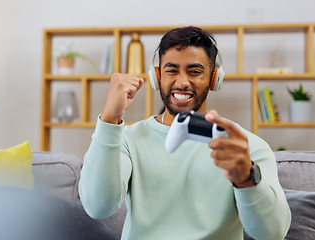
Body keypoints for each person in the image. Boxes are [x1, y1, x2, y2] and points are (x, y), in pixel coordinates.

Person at [78, 26, 291, 240]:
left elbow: (272, 234)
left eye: (195, 71)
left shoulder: (244, 146)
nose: (182, 82)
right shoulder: (127, 139)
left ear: (214, 78)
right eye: (172, 70)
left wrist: (247, 178)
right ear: (157, 76)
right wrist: (108, 118)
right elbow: (98, 207)